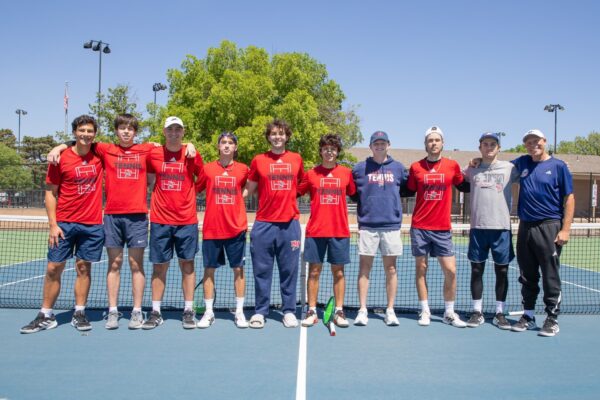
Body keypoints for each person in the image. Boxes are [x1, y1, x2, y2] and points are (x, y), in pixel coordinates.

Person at [46, 114, 196, 330]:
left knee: (137, 265)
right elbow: (80, 141)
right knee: (114, 264)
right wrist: (58, 147)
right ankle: (113, 311)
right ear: (116, 131)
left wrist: (189, 143)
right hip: (112, 217)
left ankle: (137, 311)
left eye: (130, 128)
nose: (126, 132)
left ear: (135, 132)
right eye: (122, 128)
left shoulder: (148, 149)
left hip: (137, 217)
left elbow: (173, 146)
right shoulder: (105, 149)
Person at [21, 115, 104, 333]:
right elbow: (50, 193)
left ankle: (79, 312)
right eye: (81, 130)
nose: (86, 134)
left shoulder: (100, 154)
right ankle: (46, 315)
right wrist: (52, 225)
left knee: (84, 269)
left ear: (95, 134)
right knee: (53, 268)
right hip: (64, 224)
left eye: (89, 131)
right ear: (75, 132)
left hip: (92, 224)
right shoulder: (60, 158)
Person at [510, 129, 574, 337]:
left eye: (536, 141)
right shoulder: (522, 163)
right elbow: (498, 166)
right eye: (528, 142)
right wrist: (476, 160)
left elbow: (569, 198)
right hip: (525, 226)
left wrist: (565, 229)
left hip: (550, 226)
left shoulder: (558, 166)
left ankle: (551, 318)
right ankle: (528, 315)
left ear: (544, 142)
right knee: (527, 275)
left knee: (550, 275)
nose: (532, 145)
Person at [142, 116, 204, 330]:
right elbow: (149, 179)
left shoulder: (192, 154)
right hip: (160, 220)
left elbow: (203, 179)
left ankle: (188, 310)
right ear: (164, 131)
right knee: (159, 267)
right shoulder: (153, 154)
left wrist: (189, 195)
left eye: (178, 129)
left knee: (187, 265)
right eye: (170, 129)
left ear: (183, 132)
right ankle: (156, 311)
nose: (174, 133)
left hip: (186, 220)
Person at [407, 126, 468, 328]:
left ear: (443, 143)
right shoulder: (416, 168)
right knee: (421, 268)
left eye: (437, 140)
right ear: (425, 144)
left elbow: (465, 184)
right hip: (420, 227)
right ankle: (425, 310)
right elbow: (407, 189)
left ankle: (449, 312)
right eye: (430, 140)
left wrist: (476, 166)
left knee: (450, 270)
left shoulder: (452, 166)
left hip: (442, 228)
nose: (433, 143)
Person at [245, 120, 304, 328]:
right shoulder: (258, 160)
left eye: (281, 134)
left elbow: (302, 185)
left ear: (287, 136)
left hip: (290, 225)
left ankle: (288, 310)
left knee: (289, 270)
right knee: (262, 270)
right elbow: (249, 190)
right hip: (263, 224)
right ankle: (260, 311)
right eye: (273, 134)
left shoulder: (297, 159)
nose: (277, 137)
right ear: (268, 137)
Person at [298, 134, 356, 328]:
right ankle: (312, 311)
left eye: (333, 148)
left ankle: (339, 311)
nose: (329, 151)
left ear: (337, 152)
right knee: (314, 272)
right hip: (316, 231)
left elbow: (357, 195)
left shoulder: (346, 173)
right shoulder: (311, 174)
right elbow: (294, 192)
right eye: (325, 148)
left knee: (338, 273)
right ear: (321, 151)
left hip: (339, 231)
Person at [463, 132, 519, 330]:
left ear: (499, 147)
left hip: (501, 229)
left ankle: (499, 313)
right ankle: (477, 312)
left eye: (493, 144)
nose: (489, 147)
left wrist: (562, 165)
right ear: (480, 147)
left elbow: (532, 166)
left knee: (501, 272)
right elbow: (456, 178)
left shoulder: (510, 168)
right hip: (478, 229)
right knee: (477, 270)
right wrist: (471, 162)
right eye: (485, 144)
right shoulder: (471, 168)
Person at [351, 131, 407, 327]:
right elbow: (353, 194)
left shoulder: (399, 168)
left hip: (391, 226)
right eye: (376, 143)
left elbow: (407, 189)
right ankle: (362, 310)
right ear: (371, 146)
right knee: (364, 269)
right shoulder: (359, 169)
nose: (380, 146)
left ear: (388, 145)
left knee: (391, 269)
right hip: (367, 226)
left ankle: (390, 310)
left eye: (383, 143)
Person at [195, 132, 249, 329]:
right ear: (218, 146)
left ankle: (240, 312)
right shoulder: (207, 169)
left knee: (238, 270)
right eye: (223, 142)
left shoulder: (244, 169)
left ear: (235, 147)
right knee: (209, 271)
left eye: (230, 143)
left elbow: (250, 186)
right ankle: (209, 312)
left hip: (236, 229)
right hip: (212, 229)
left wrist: (237, 198)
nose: (226, 146)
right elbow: (195, 188)